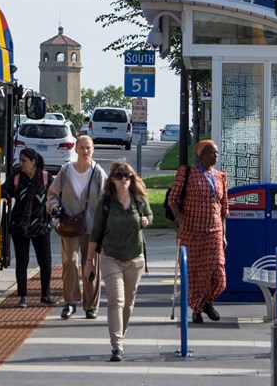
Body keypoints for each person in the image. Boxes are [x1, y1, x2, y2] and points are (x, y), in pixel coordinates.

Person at [88, 160, 152, 362]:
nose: (123, 180)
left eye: (127, 176)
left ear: (131, 178)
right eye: (119, 176)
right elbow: (95, 233)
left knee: (129, 303)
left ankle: (120, 336)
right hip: (111, 257)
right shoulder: (105, 204)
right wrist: (89, 260)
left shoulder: (139, 199)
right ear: (112, 180)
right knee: (116, 301)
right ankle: (117, 346)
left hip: (135, 257)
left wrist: (146, 220)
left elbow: (149, 215)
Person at [166, 139, 229, 323]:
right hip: (191, 232)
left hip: (214, 232)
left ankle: (207, 302)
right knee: (194, 273)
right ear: (201, 156)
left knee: (218, 274)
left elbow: (224, 209)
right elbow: (173, 199)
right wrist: (177, 216)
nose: (215, 155)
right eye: (211, 152)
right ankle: (197, 309)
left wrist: (224, 234)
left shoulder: (220, 177)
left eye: (216, 152)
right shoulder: (187, 173)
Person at [46, 134, 106, 319]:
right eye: (82, 148)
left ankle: (91, 306)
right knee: (69, 263)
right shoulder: (66, 171)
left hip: (92, 228)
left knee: (91, 265)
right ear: (76, 149)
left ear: (93, 150)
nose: (85, 151)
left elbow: (107, 199)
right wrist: (54, 207)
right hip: (69, 226)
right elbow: (52, 194)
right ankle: (70, 302)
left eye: (88, 148)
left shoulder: (98, 172)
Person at [1, 148, 57, 308]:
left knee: (45, 261)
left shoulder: (46, 178)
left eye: (24, 160)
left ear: (33, 162)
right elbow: (3, 191)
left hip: (41, 226)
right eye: (20, 160)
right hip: (20, 227)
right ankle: (22, 297)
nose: (21, 163)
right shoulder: (17, 178)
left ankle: (45, 294)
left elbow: (55, 197)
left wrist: (55, 213)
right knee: (22, 261)